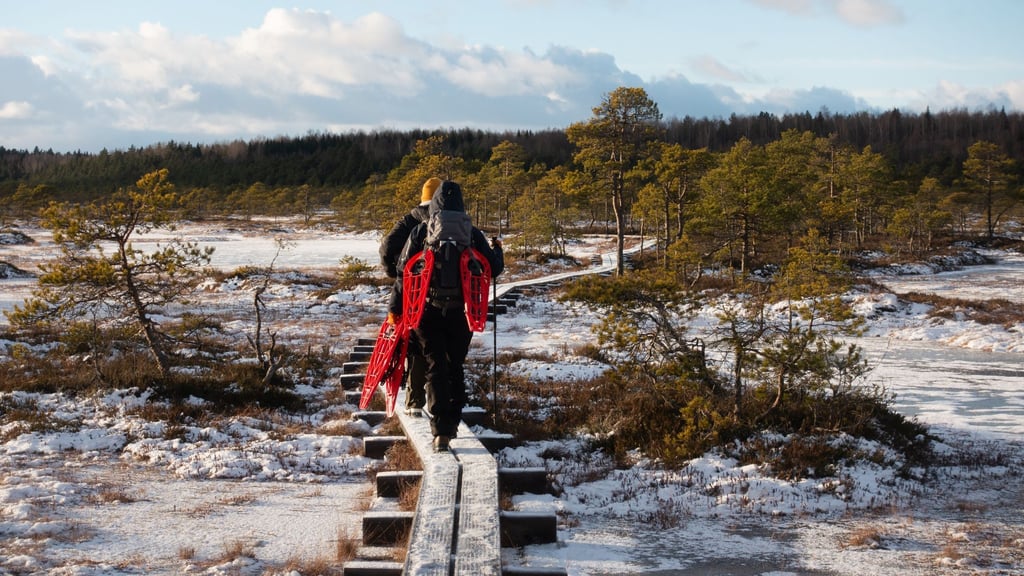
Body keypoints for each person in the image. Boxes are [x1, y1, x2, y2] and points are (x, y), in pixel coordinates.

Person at [388, 180, 504, 452]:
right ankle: (452, 423)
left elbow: (403, 272)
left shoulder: (420, 231)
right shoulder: (472, 233)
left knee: (434, 366)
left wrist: (395, 308)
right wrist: (497, 248)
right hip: (462, 314)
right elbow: (494, 269)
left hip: (426, 311)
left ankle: (440, 429)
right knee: (454, 367)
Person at [379, 177, 441, 416]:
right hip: (443, 293)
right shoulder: (449, 222)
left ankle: (414, 399)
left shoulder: (409, 220)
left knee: (415, 342)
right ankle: (437, 398)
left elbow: (386, 248)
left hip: (411, 290)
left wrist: (397, 273)